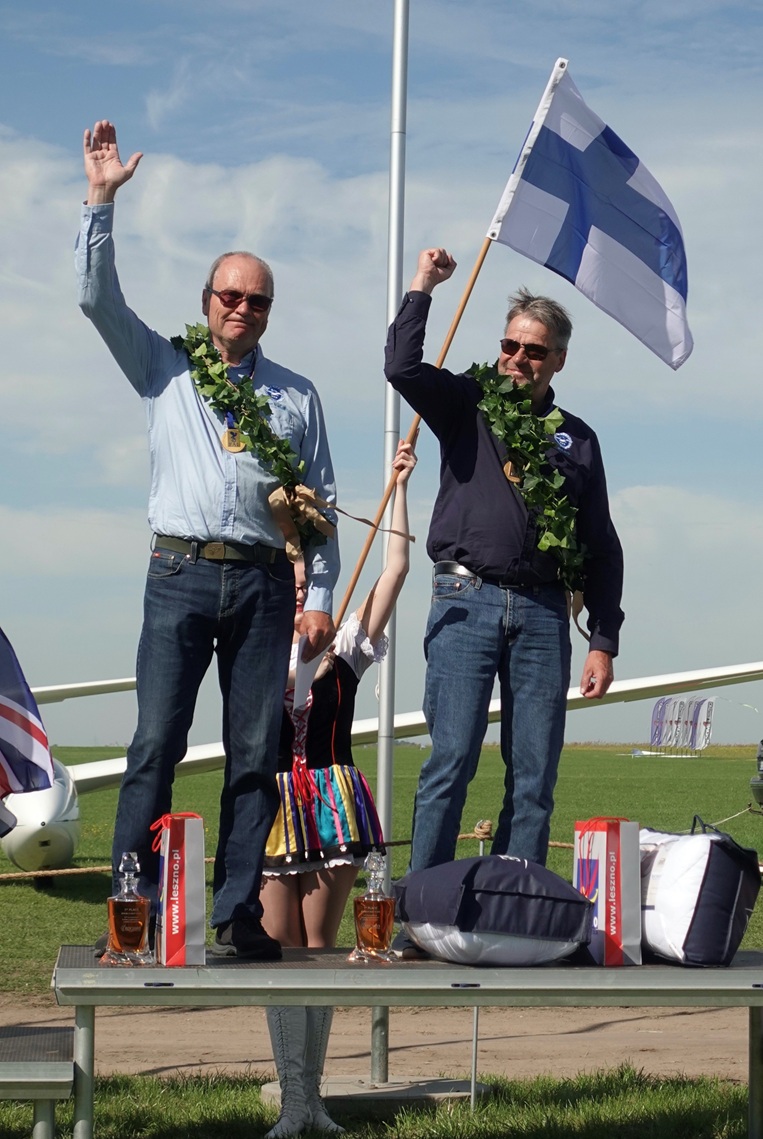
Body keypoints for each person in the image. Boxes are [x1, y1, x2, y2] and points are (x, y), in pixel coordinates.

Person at [78, 120, 338, 961]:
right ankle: (131, 910)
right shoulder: (164, 366)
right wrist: (101, 202)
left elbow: (322, 504)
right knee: (155, 743)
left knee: (255, 754)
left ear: (268, 311)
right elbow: (96, 300)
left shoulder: (297, 396)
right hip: (179, 572)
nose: (241, 308)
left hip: (264, 583)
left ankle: (236, 913)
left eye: (257, 300)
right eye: (230, 295)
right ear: (206, 301)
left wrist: (320, 596)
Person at [384, 248, 624, 946]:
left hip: (545, 614)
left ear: (558, 361)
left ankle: (516, 919)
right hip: (467, 600)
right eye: (510, 345)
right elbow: (401, 368)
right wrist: (423, 287)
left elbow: (601, 544)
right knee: (450, 762)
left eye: (533, 351)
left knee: (534, 776)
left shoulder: (578, 439)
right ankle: (419, 916)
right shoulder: (466, 403)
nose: (517, 359)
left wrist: (603, 639)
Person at [259, 439, 416, 1137]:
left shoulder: (346, 643)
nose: (299, 588)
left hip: (330, 804)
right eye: (289, 575)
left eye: (306, 577)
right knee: (276, 952)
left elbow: (396, 569)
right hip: (270, 806)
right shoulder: (257, 644)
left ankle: (312, 1101)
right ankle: (291, 1101)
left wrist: (398, 487)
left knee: (318, 951)